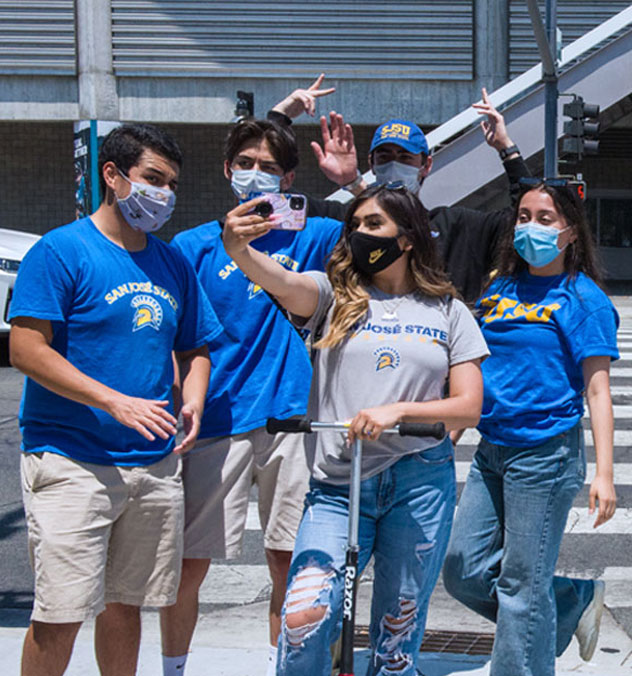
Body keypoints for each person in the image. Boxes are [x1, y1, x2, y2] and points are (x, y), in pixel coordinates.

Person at [220, 183, 489, 676]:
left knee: (396, 635)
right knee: (304, 619)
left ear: (407, 238)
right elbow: (281, 282)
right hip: (338, 486)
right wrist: (239, 249)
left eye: (373, 225)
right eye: (356, 225)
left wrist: (398, 411)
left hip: (419, 481)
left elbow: (469, 407)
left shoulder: (449, 311)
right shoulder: (330, 296)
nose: (360, 234)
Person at [8, 123, 222, 676]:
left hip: (152, 466)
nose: (164, 195)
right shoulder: (61, 251)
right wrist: (114, 401)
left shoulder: (170, 261)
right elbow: (28, 349)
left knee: (126, 606)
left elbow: (195, 346)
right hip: (72, 461)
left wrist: (192, 400)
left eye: (171, 184)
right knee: (61, 613)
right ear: (113, 174)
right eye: (153, 178)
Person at [161, 115, 345, 676]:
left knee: (288, 563)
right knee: (188, 566)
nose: (256, 175)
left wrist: (351, 177)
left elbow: (389, 231)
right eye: (245, 164)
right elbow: (175, 336)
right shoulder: (191, 246)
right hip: (215, 419)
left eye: (269, 167)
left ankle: (281, 666)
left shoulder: (315, 234)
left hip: (294, 418)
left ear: (289, 179)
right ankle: (174, 668)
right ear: (226, 170)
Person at [442, 179, 619, 675]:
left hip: (545, 454)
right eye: (523, 217)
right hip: (492, 448)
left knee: (521, 587)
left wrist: (604, 474)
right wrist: (450, 432)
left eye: (545, 219)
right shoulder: (498, 290)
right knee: (461, 568)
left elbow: (598, 390)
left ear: (570, 233)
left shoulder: (583, 300)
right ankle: (569, 601)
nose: (530, 227)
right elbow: (477, 374)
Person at [269, 80, 530, 304]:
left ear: (425, 165)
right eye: (385, 157)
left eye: (405, 158)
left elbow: (525, 217)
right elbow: (271, 202)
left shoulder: (458, 227)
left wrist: (506, 148)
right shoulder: (343, 221)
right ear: (371, 164)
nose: (394, 164)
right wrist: (279, 119)